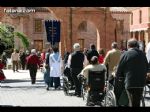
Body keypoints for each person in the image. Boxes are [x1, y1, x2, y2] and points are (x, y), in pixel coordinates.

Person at [115, 39, 148, 107]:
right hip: (141, 83)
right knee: (136, 102)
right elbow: (147, 67)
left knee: (131, 102)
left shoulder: (125, 54)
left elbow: (119, 68)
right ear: (137, 45)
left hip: (130, 82)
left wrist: (117, 76)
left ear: (128, 46)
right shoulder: (142, 54)